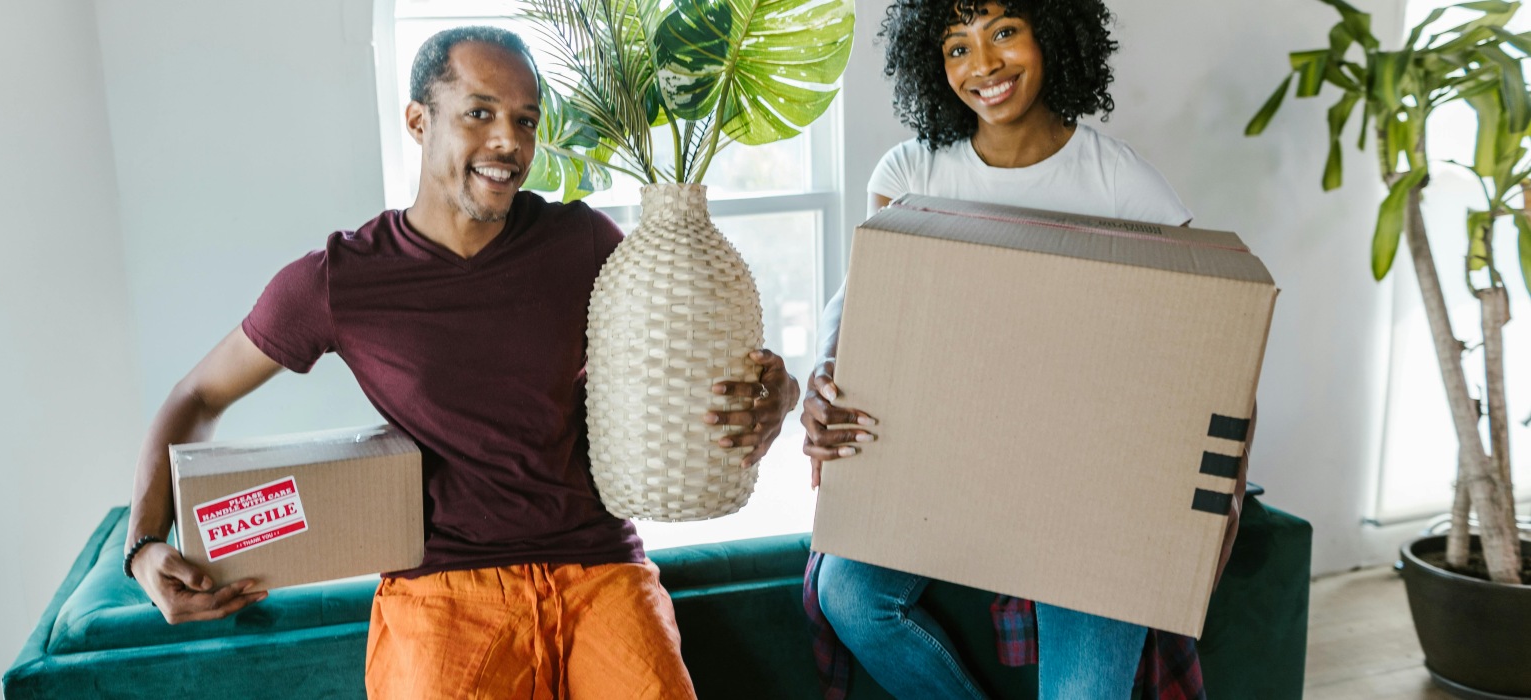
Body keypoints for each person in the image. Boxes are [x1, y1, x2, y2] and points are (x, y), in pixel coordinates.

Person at [120, 26, 800, 699]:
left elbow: (683, 382)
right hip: (441, 588)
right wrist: (145, 544)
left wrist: (776, 395)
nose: (509, 141)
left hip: (601, 570)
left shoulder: (586, 245)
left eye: (525, 120)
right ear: (419, 121)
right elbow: (198, 397)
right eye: (480, 113)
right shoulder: (339, 281)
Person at [800, 1, 1249, 698]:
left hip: (1090, 490)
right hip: (946, 462)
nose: (983, 67)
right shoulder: (913, 170)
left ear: (1053, 35)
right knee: (850, 595)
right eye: (956, 47)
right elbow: (864, 301)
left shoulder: (1123, 185)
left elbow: (1207, 331)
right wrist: (826, 373)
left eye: (1004, 33)